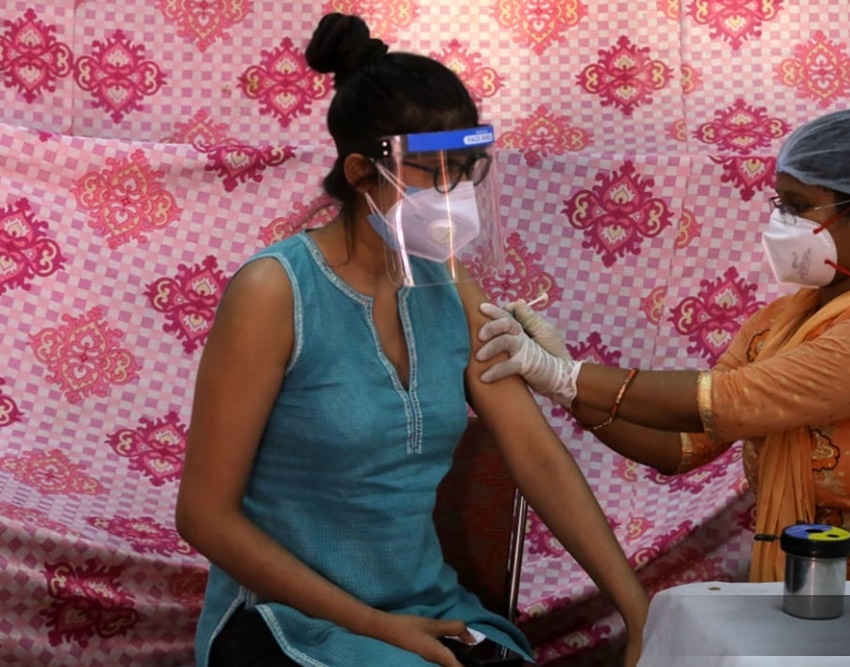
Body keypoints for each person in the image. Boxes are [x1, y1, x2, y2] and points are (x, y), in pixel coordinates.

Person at [175, 13, 647, 667]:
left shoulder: (452, 286)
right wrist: (377, 626)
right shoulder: (274, 292)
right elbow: (204, 515)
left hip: (428, 608)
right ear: (361, 171)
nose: (455, 194)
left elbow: (536, 457)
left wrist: (639, 613)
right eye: (434, 172)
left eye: (467, 170)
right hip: (285, 619)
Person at [474, 109, 850, 583]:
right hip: (821, 585)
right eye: (778, 203)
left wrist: (563, 373)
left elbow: (730, 400)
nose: (778, 223)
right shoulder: (780, 323)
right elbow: (682, 446)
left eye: (798, 206)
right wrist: (564, 384)